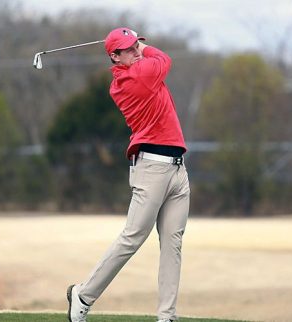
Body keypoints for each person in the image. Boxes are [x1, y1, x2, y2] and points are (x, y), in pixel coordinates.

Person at [66, 27, 190, 322]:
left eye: (137, 45)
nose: (136, 51)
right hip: (152, 170)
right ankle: (82, 296)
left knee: (173, 244)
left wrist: (134, 45)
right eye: (129, 48)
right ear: (114, 56)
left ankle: (167, 316)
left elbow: (157, 59)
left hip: (177, 169)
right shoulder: (134, 78)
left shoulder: (140, 70)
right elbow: (164, 58)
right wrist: (145, 50)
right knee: (132, 238)